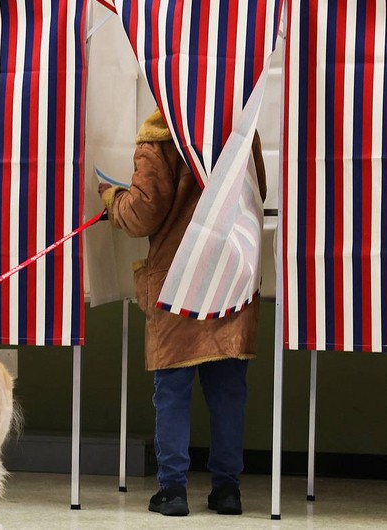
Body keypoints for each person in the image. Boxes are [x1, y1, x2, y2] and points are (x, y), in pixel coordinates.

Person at [98, 108, 266, 517]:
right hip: (230, 277)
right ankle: (228, 490)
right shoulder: (243, 128)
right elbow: (256, 194)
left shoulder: (159, 135)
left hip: (178, 283)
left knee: (172, 392)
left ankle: (172, 491)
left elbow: (141, 215)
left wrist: (111, 198)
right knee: (228, 393)